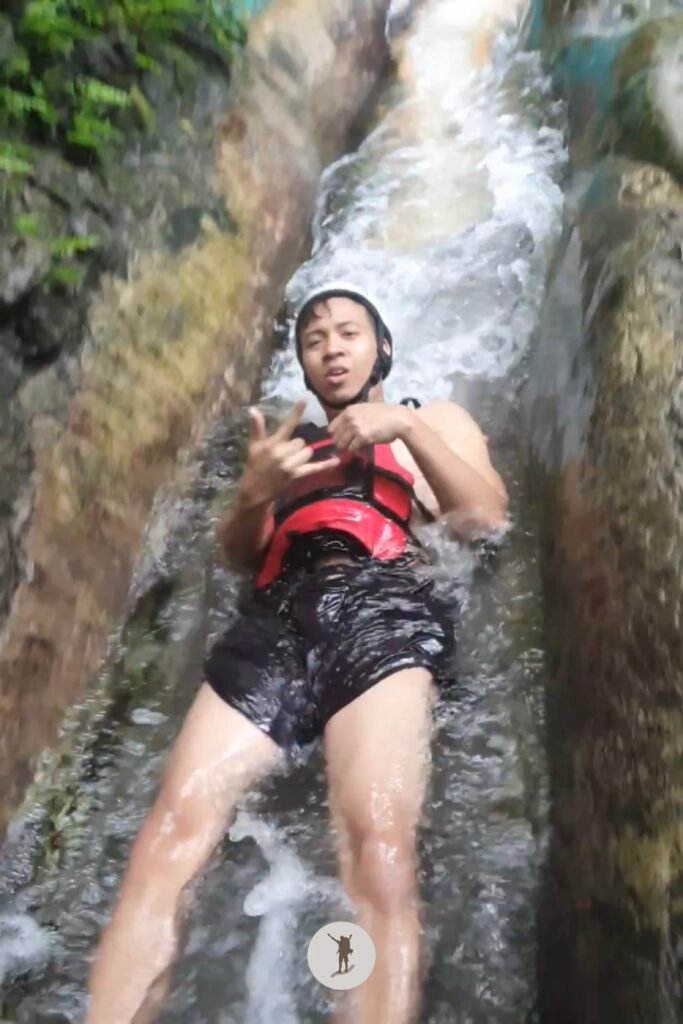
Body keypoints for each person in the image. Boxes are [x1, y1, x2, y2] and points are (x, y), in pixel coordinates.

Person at [85, 282, 508, 1024]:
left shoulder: (429, 421)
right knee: (170, 826)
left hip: (382, 603)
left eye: (348, 332)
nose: (332, 347)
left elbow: (484, 519)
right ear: (304, 369)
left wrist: (403, 434)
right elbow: (242, 557)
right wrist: (253, 494)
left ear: (382, 350)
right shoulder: (284, 447)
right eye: (314, 340)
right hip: (277, 616)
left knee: (376, 846)